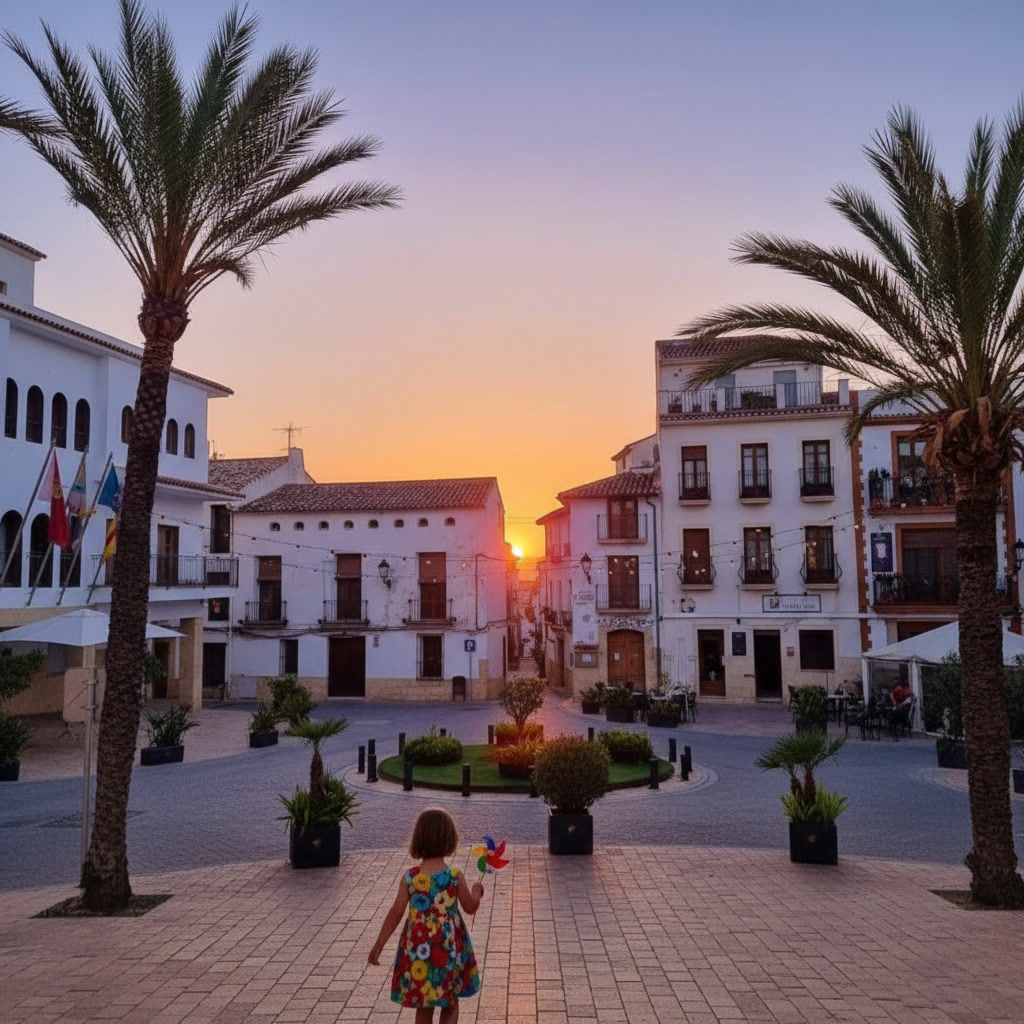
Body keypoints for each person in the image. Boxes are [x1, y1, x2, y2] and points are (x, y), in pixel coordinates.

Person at [369, 808, 483, 1023]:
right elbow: (470, 907)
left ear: (418, 839)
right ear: (450, 839)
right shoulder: (454, 876)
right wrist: (477, 891)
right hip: (448, 949)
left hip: (419, 949)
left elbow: (396, 912)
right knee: (450, 1002)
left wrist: (379, 945)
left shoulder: (411, 877)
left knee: (424, 1004)